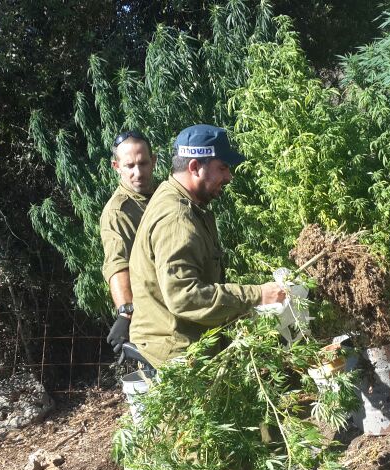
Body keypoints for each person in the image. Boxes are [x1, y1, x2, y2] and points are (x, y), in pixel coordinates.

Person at [128, 124, 287, 370]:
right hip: (178, 361)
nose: (229, 176)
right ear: (194, 167)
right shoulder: (177, 218)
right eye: (222, 167)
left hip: (184, 348)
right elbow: (184, 296)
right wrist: (258, 296)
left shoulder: (179, 199)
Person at [100, 130, 159, 354]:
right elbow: (117, 263)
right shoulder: (119, 211)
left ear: (153, 161)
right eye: (129, 166)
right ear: (117, 167)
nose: (138, 172)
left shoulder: (163, 196)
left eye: (143, 163)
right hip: (151, 316)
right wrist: (126, 313)